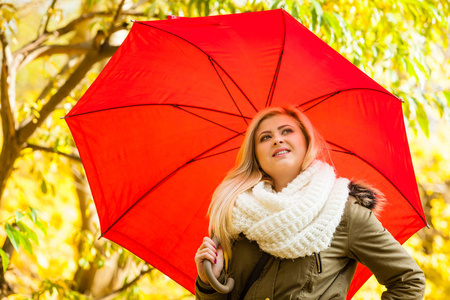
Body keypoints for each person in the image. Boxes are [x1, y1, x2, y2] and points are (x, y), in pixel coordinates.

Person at [194, 106, 425, 299]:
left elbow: (409, 281)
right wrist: (209, 282)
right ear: (254, 154)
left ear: (306, 142)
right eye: (265, 137)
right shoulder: (235, 215)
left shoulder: (341, 210)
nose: (277, 139)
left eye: (287, 131)